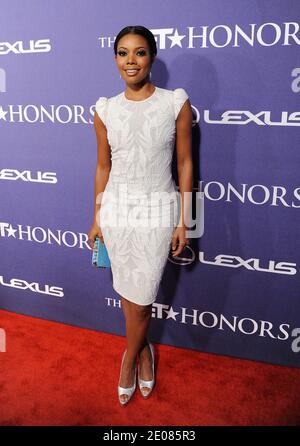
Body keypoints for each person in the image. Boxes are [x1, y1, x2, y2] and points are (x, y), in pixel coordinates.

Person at [88, 25, 193, 406]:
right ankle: (144, 351)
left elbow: (185, 163)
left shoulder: (175, 103)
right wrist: (97, 217)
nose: (130, 61)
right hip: (117, 210)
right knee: (131, 298)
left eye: (139, 52)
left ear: (152, 57)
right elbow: (103, 168)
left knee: (143, 297)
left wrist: (187, 220)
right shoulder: (105, 109)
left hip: (157, 211)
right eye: (122, 53)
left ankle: (129, 356)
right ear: (115, 58)